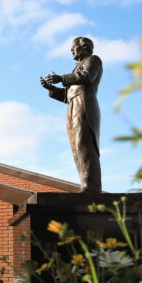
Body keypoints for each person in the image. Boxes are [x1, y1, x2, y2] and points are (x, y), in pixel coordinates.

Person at [40, 37, 103, 192]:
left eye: (73, 47)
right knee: (76, 146)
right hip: (73, 106)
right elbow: (67, 96)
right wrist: (51, 88)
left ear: (85, 47)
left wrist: (62, 78)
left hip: (84, 105)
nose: (71, 51)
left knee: (85, 144)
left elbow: (87, 76)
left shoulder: (93, 60)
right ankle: (85, 185)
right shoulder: (77, 68)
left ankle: (91, 187)